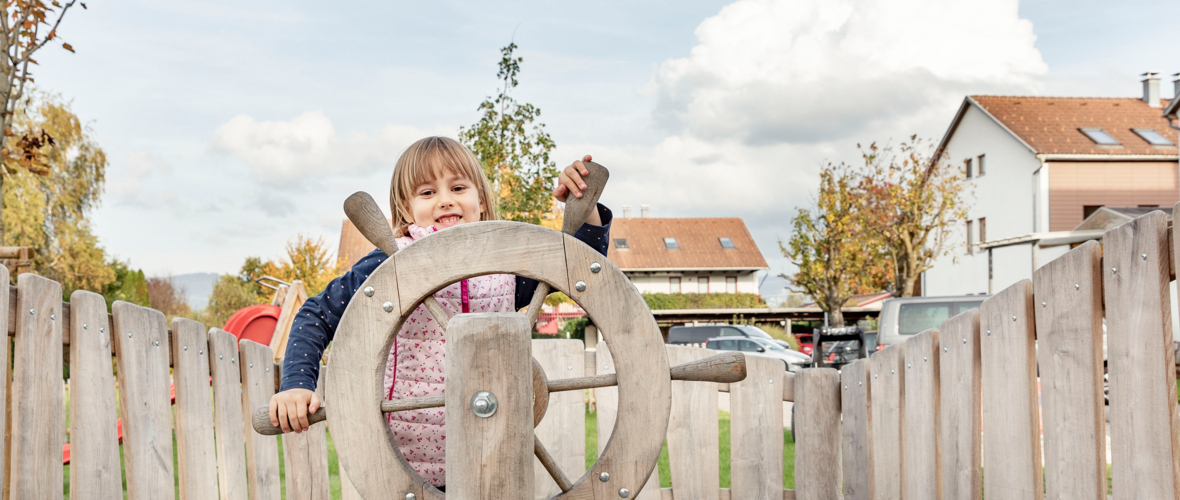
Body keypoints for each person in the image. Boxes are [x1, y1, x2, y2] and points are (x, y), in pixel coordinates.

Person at [267, 136, 611, 489]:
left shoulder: (509, 266)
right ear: (406, 206)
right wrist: (296, 385)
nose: (445, 200)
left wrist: (584, 203)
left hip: (493, 455)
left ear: (480, 197)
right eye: (428, 193)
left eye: (458, 187)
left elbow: (580, 268)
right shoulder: (391, 264)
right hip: (405, 467)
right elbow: (317, 314)